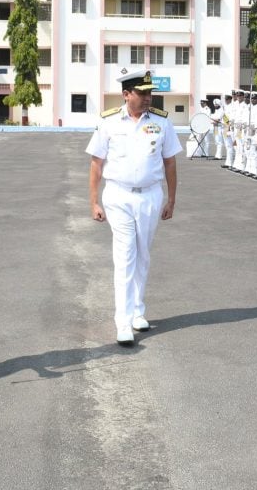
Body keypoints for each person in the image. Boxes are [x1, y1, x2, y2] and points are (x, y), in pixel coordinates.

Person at [87, 70, 182, 347]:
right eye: (141, 93)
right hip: (118, 196)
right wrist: (94, 201)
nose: (147, 98)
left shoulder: (162, 123)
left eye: (149, 93)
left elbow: (170, 163)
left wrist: (172, 199)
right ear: (126, 94)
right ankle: (123, 321)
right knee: (125, 255)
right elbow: (96, 163)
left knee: (143, 254)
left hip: (150, 196)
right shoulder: (108, 122)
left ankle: (138, 310)